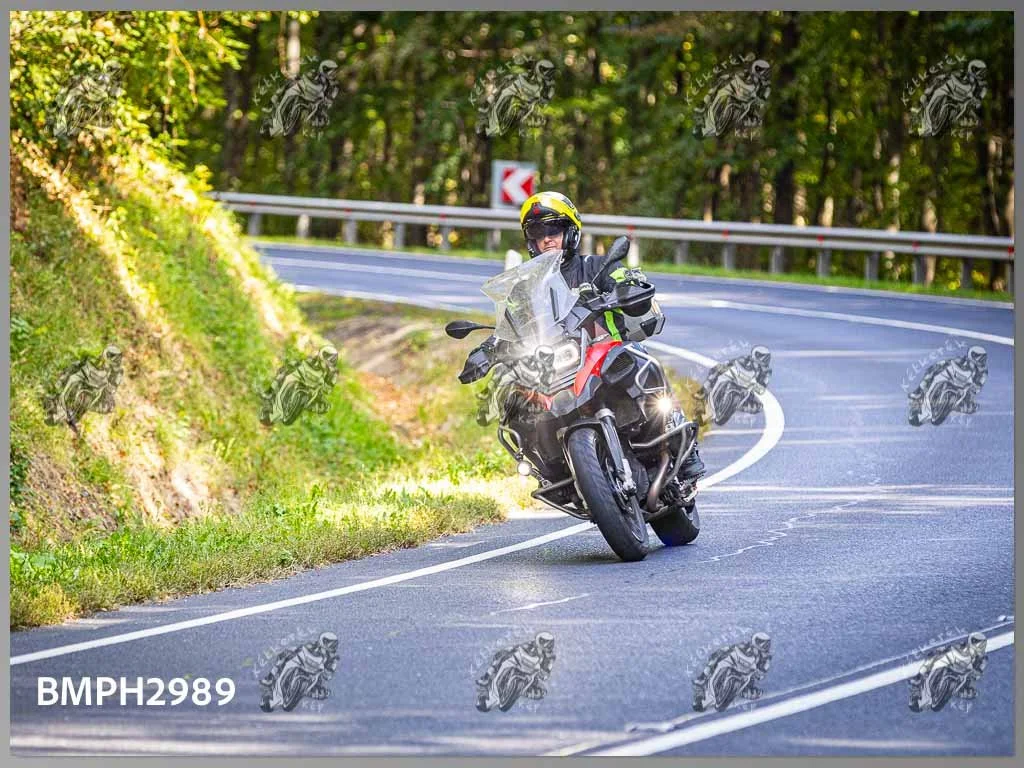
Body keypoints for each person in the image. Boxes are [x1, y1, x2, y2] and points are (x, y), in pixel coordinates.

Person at [466, 190, 704, 481]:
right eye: (538, 233)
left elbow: (622, 278)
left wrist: (630, 285)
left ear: (570, 232)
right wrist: (488, 349)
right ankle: (552, 471)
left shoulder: (595, 266)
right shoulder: (525, 290)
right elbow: (510, 323)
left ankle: (679, 439)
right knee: (517, 402)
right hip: (557, 369)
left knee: (640, 361)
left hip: (603, 353)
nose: (547, 239)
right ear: (530, 241)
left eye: (554, 230)